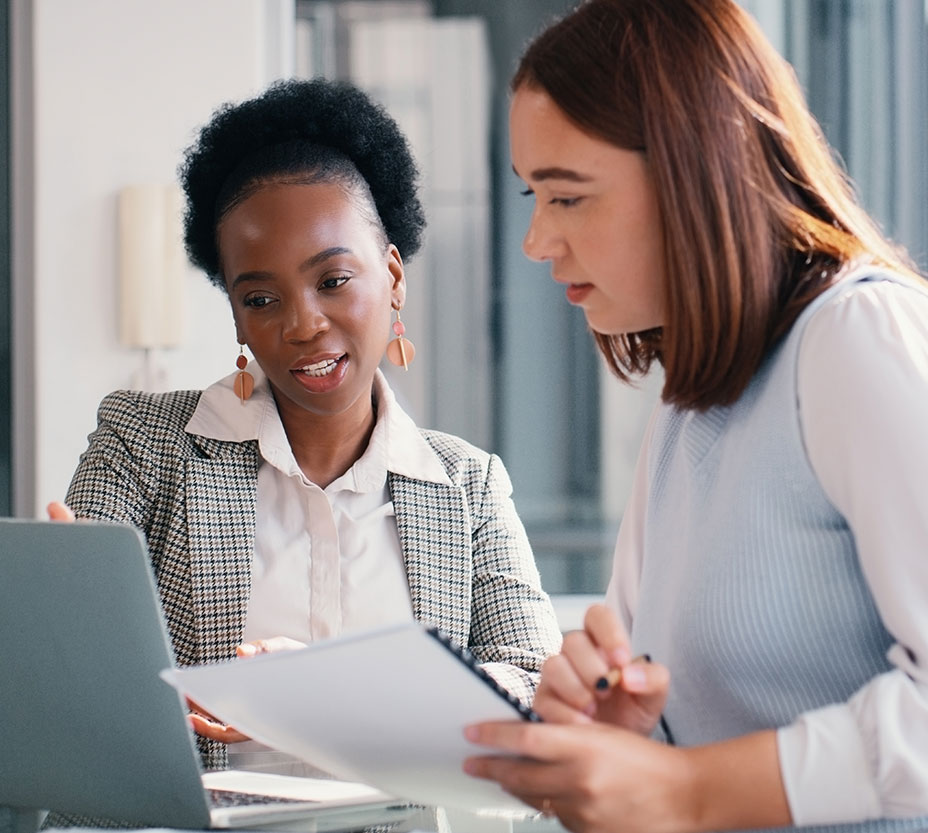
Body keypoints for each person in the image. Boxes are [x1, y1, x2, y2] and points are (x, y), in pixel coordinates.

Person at [462, 1, 928, 831]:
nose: (536, 240)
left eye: (568, 198)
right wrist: (628, 729)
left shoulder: (856, 341)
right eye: (533, 194)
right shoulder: (691, 400)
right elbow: (680, 705)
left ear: (693, 170)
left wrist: (690, 789)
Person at [52, 77, 561, 771]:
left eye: (333, 280)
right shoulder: (143, 443)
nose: (302, 324)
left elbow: (535, 684)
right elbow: (75, 674)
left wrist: (343, 690)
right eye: (260, 296)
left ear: (392, 277)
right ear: (236, 314)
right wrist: (59, 610)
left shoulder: (469, 486)